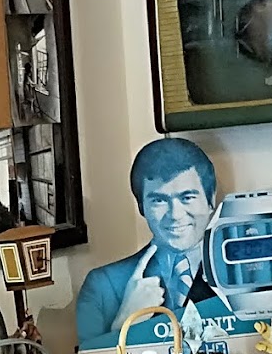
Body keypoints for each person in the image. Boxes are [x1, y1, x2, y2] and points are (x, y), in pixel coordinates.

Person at [75, 138, 218, 348]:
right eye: (159, 200)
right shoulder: (101, 285)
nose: (175, 215)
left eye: (187, 197)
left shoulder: (245, 274)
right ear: (141, 206)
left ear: (211, 199)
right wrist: (126, 319)